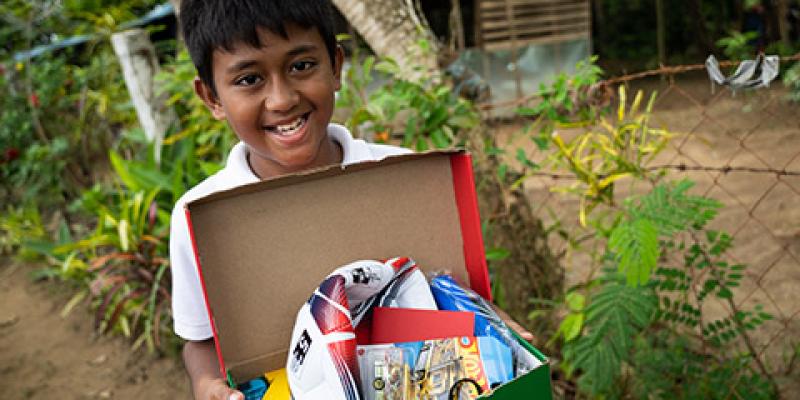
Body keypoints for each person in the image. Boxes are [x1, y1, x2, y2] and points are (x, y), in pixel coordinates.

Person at [170, 1, 533, 399]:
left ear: (336, 66)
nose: (281, 99)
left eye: (301, 66)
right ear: (211, 96)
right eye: (249, 79)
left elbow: (462, 298)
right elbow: (200, 340)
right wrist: (206, 384)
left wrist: (500, 329)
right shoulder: (203, 216)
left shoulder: (404, 177)